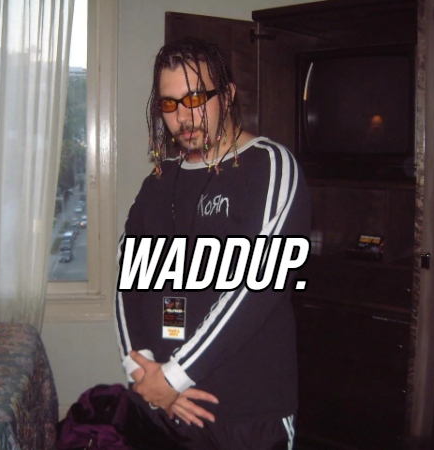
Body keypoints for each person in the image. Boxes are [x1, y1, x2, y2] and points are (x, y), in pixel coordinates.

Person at [115, 37, 311, 450]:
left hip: (247, 414)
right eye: (170, 104)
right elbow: (128, 280)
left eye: (195, 99)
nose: (183, 117)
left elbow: (258, 287)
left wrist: (174, 376)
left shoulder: (269, 165)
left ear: (228, 95)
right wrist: (142, 373)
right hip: (165, 408)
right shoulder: (158, 183)